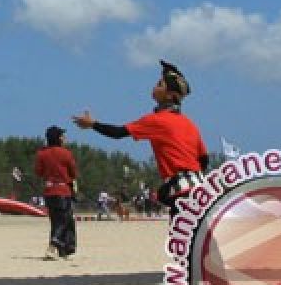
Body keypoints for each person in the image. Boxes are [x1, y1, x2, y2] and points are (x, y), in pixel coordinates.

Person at [72, 60, 208, 219]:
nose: (155, 86)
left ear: (170, 95)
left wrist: (92, 124)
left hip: (181, 190)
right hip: (201, 188)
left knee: (181, 239)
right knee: (197, 236)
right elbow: (204, 159)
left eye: (160, 84)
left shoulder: (156, 120)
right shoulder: (189, 123)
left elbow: (118, 132)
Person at [34, 126, 78, 259]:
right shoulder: (66, 153)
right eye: (63, 136)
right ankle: (53, 246)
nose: (65, 138)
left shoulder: (41, 153)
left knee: (55, 221)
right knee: (64, 220)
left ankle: (62, 250)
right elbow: (74, 172)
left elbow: (38, 172)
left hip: (49, 192)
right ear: (58, 138)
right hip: (63, 191)